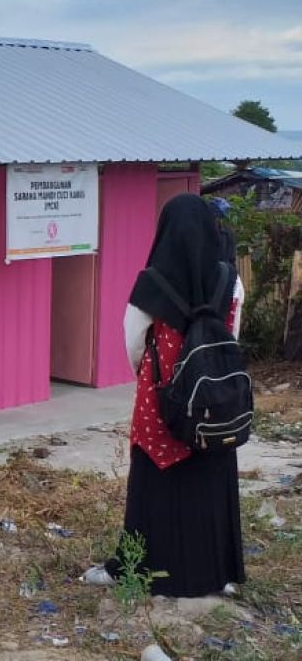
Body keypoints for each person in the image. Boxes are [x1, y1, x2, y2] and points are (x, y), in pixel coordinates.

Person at [83, 194, 246, 597]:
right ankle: (215, 574)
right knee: (209, 484)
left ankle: (139, 569)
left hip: (162, 405)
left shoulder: (152, 285)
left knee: (154, 487)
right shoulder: (229, 280)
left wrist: (161, 376)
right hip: (214, 404)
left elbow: (134, 344)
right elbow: (232, 335)